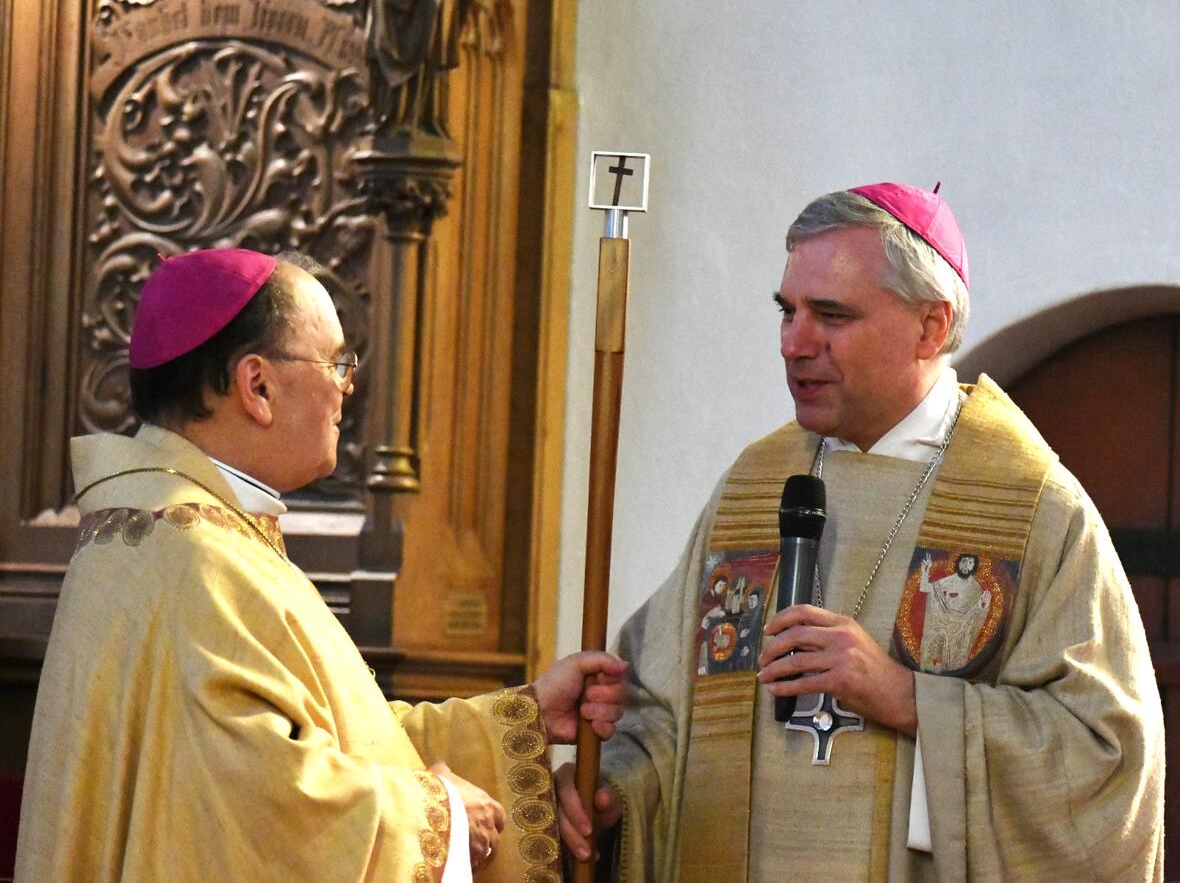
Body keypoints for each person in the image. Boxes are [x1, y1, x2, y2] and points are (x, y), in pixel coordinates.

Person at [555, 183, 1165, 880]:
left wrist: (909, 699)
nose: (794, 342)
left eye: (831, 315)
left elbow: (1105, 759)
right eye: (787, 311)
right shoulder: (756, 487)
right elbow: (660, 714)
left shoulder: (1031, 507)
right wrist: (614, 793)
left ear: (930, 327)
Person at [15, 248, 627, 882]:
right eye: (336, 361)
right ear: (257, 386)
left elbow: (333, 735)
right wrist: (440, 818)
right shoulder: (197, 558)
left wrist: (521, 720)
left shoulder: (168, 531)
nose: (347, 386)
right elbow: (260, 814)